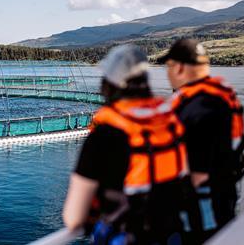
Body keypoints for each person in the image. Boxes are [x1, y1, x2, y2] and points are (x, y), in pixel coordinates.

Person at [63, 44, 189, 245]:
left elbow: (73, 217)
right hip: (172, 236)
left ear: (109, 83)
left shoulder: (104, 135)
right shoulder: (171, 123)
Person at [158, 39, 244, 244]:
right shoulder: (223, 96)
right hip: (224, 197)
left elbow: (199, 174)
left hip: (199, 215)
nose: (167, 73)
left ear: (181, 67)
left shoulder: (198, 109)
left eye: (169, 66)